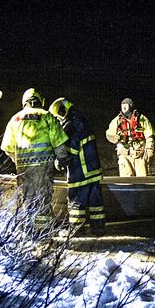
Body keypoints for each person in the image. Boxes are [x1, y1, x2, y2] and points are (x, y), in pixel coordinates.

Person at [0, 88, 69, 233]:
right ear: (40, 100)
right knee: (43, 198)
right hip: (43, 166)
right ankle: (43, 233)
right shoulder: (47, 116)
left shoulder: (15, 119)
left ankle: (28, 231)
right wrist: (63, 160)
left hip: (23, 168)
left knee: (26, 199)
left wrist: (17, 159)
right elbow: (59, 143)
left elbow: (7, 146)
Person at [49, 97, 106, 234]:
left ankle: (76, 230)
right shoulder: (82, 120)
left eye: (57, 117)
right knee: (95, 202)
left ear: (62, 112)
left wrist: (60, 160)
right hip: (93, 170)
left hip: (80, 171)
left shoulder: (71, 125)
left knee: (76, 202)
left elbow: (71, 149)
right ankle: (98, 228)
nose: (58, 120)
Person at [105, 97, 155, 177]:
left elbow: (149, 135)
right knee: (126, 180)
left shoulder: (142, 119)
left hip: (140, 155)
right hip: (125, 155)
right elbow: (108, 134)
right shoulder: (117, 120)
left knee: (143, 180)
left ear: (131, 106)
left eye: (126, 106)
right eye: (122, 106)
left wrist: (149, 149)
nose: (124, 108)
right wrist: (114, 138)